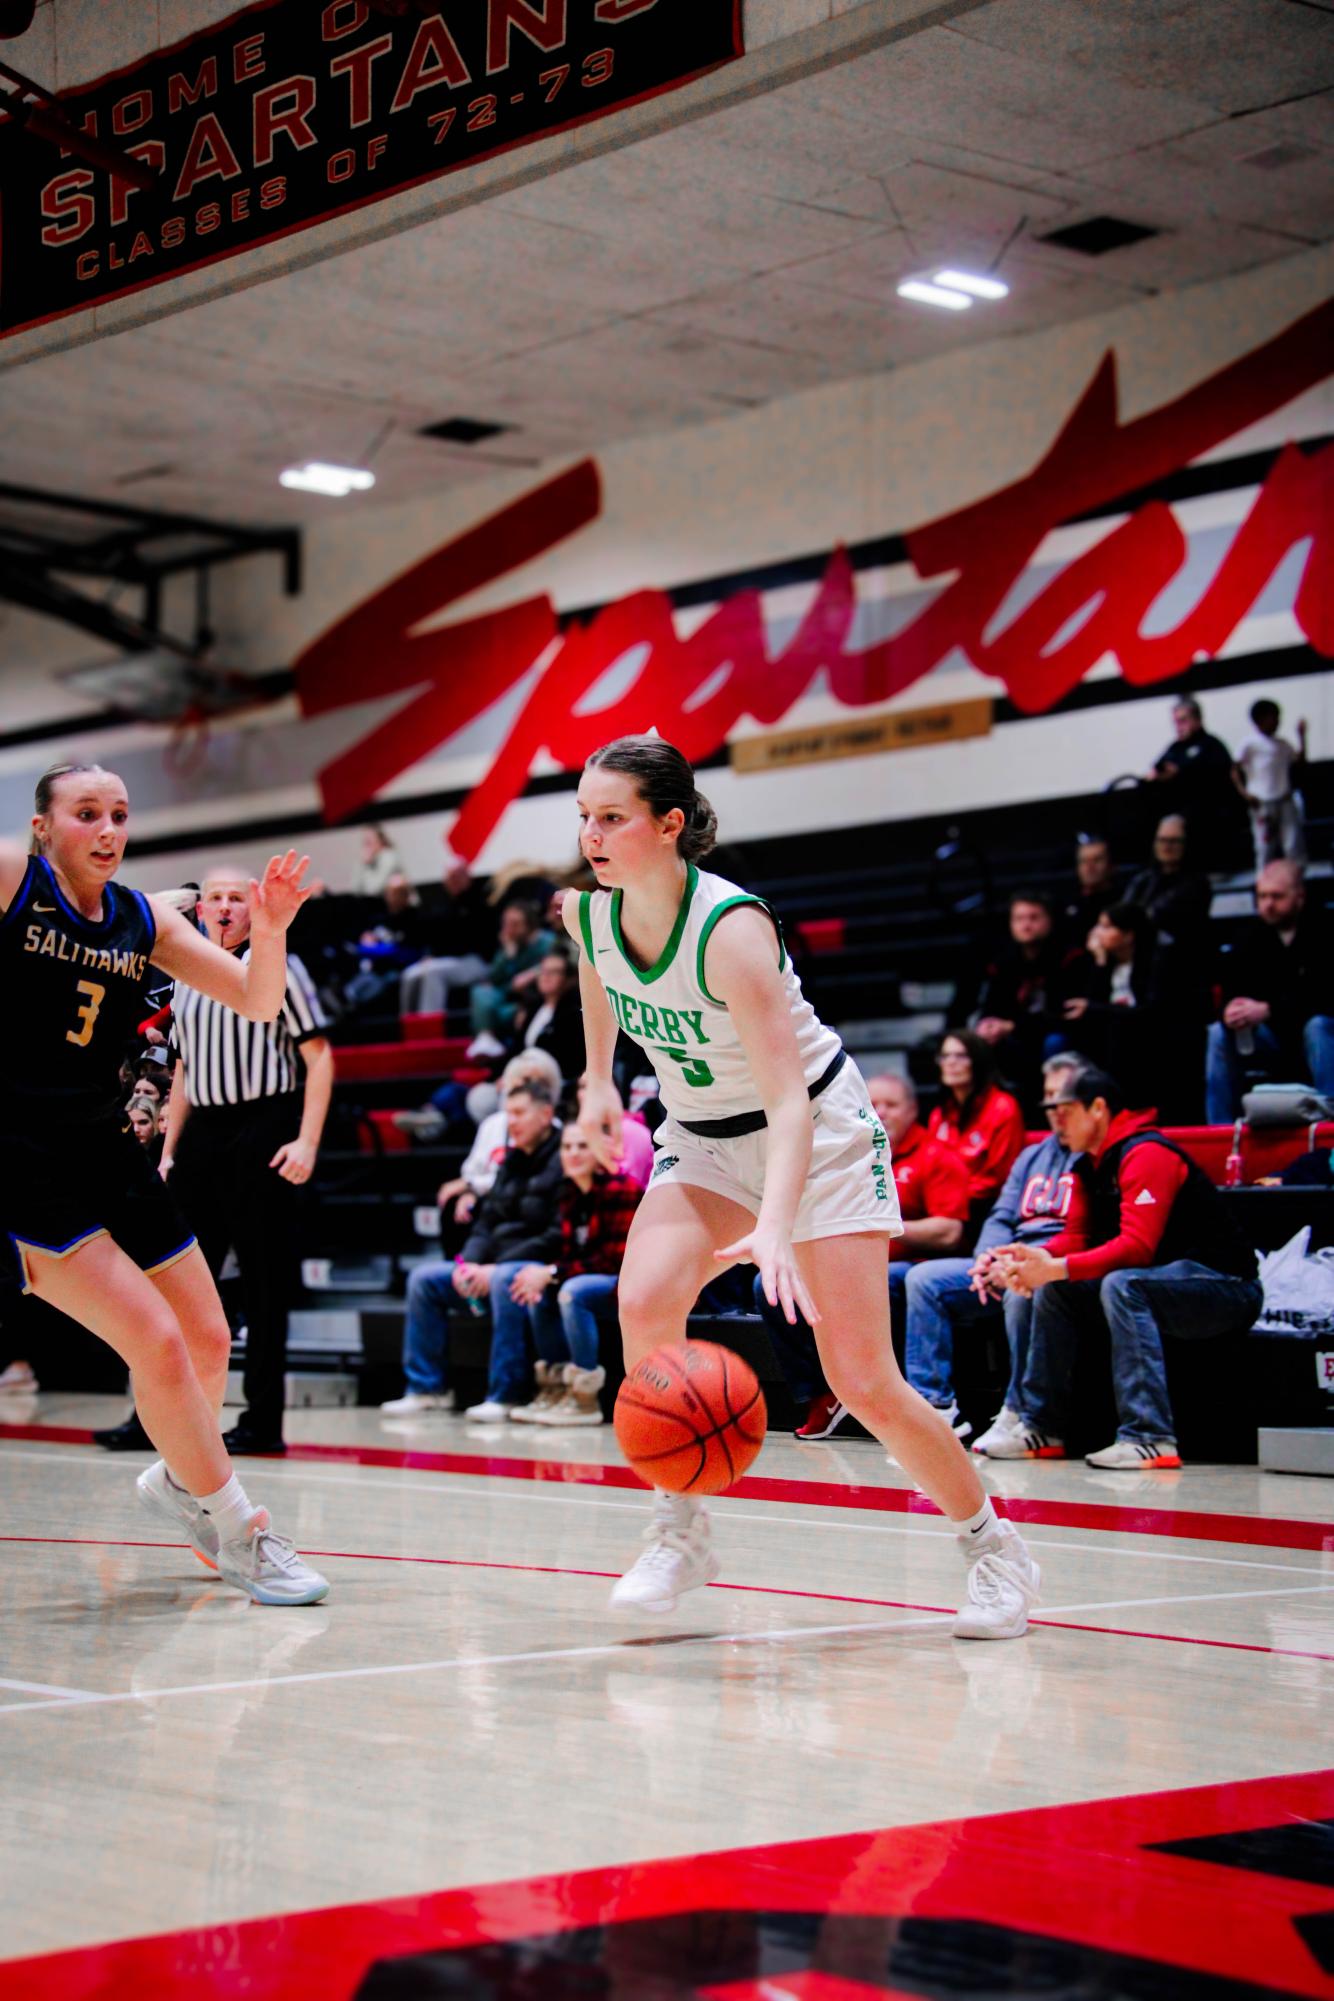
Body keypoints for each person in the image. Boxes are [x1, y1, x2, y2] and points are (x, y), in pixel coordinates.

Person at [565, 733, 1040, 1641]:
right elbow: (601, 974)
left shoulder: (733, 928)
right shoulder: (588, 913)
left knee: (859, 1377)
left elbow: (787, 1105)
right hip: (703, 1137)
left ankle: (994, 1549)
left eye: (612, 816)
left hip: (815, 1132)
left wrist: (775, 1225)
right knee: (644, 1300)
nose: (592, 833)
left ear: (669, 825)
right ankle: (680, 1528)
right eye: (585, 816)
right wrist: (594, 1080)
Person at [0, 762, 327, 1605]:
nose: (108, 829)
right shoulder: (13, 877)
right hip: (19, 1158)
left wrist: (276, 924)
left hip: (105, 1147)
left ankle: (184, 1483)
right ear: (43, 827)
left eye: (118, 813)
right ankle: (241, 1528)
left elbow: (258, 1001)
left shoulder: (140, 918)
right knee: (156, 1338)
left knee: (210, 1337)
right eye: (85, 813)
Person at [989, 1066, 1262, 1468]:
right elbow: (1076, 1238)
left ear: (1098, 1109)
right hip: (1160, 1282)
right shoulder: (1086, 1165)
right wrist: (1033, 1259)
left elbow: (1137, 1247)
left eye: (1065, 1111)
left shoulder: (1147, 1152)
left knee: (1122, 1283)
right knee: (1055, 1289)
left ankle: (1150, 1436)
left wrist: (1058, 1265)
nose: (1056, 1122)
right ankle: (1041, 1427)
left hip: (1226, 1286)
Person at [154, 867, 334, 1456]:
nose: (226, 907)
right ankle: (161, 1418)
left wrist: (307, 1141)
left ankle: (262, 1422)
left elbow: (321, 1056)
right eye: (216, 898)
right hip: (204, 1131)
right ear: (200, 908)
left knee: (262, 1284)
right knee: (179, 1284)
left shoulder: (280, 962)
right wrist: (169, 1150)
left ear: (253, 906)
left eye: (237, 897)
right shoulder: (186, 969)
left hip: (264, 1123)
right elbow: (182, 1069)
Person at [755, 1071, 971, 1442]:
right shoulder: (846, 1150)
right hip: (843, 1257)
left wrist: (876, 1227)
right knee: (769, 1282)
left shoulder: (936, 1155)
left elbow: (949, 1231)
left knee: (886, 1279)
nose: (882, 1112)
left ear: (913, 1109)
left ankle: (900, 1399)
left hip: (907, 1266)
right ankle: (822, 1393)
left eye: (892, 1105)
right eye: (876, 1104)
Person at [905, 1052, 1084, 1451]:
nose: (1055, 1108)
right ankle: (935, 1410)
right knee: (923, 1279)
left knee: (1024, 1291)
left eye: (1065, 1097)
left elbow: (1087, 1231)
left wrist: (1022, 1262)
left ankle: (1020, 1412)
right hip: (1006, 1258)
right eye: (1049, 1097)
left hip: (1051, 1263)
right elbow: (1002, 1214)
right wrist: (988, 1257)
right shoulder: (1032, 1156)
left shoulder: (1095, 1155)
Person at [380, 1078, 565, 1420]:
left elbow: (555, 1234)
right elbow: (486, 1223)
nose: (512, 1122)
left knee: (504, 1280)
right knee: (424, 1280)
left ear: (546, 1114)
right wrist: (470, 1263)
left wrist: (494, 1268)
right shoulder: (510, 1162)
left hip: (534, 1266)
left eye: (520, 1113)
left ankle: (506, 1394)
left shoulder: (564, 1159)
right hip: (490, 1265)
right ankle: (426, 1389)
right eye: (508, 1114)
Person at [505, 1121, 641, 1427]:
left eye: (582, 1145)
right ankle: (554, 1389)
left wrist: (553, 1271)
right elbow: (573, 1254)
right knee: (539, 1292)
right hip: (595, 1275)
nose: (573, 1153)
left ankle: (585, 1398)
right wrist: (546, 1273)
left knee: (572, 1291)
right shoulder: (569, 1192)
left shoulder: (621, 1188)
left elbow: (613, 1260)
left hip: (629, 1280)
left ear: (599, 1151)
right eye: (567, 1147)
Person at [1205, 860, 1334, 1122]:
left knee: (1318, 1027)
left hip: (1315, 1036)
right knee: (1218, 1033)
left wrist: (1269, 1009)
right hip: (1271, 1039)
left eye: (1277, 896)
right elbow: (1232, 988)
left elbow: (1324, 994)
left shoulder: (1325, 930)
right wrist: (1232, 1010)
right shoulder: (1249, 936)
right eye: (1262, 896)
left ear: (1299, 896)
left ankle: (1329, 1121)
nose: (1268, 904)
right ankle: (1219, 1130)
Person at [970, 893, 1066, 1113]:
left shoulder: (1066, 957)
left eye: (1033, 918)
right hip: (1016, 1039)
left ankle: (1056, 1104)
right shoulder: (1005, 961)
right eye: (1019, 919)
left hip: (1051, 1034)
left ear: (1048, 920)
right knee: (975, 1042)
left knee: (1055, 1041)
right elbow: (990, 1005)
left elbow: (1062, 1014)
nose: (1026, 925)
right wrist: (987, 1024)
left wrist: (1011, 1026)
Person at [927, 1029, 1026, 1217]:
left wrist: (950, 1199)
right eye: (945, 1056)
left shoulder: (1003, 1107)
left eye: (961, 1056)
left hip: (986, 1208)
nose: (951, 1062)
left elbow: (998, 1179)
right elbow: (931, 1167)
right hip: (944, 1206)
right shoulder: (939, 1114)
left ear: (978, 1061)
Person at [1146, 695, 1247, 866]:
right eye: (1176, 722)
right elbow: (1158, 767)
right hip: (1176, 809)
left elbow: (1217, 778)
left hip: (1209, 809)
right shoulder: (1175, 747)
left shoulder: (1212, 745)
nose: (1179, 726)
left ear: (1197, 719)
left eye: (1183, 720)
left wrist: (1182, 773)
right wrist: (1157, 775)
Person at [398, 851, 496, 1017]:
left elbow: (470, 942)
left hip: (476, 960)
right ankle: (407, 1025)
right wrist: (430, 956)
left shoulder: (481, 904)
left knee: (433, 973)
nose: (452, 881)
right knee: (410, 974)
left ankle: (429, 1027)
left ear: (467, 877)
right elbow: (436, 938)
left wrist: (437, 956)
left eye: (456, 876)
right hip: (447, 959)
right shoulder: (442, 906)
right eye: (449, 877)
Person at [467, 901, 555, 1059]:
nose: (509, 930)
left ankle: (491, 1041)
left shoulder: (547, 942)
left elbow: (555, 962)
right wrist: (508, 954)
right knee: (480, 992)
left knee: (501, 1013)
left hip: (531, 997)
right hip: (507, 994)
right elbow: (494, 978)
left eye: (515, 924)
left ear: (529, 925)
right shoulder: (511, 944)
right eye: (506, 924)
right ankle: (486, 1037)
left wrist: (532, 973)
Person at [1232, 700, 1308, 870]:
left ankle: (1295, 880)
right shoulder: (1249, 743)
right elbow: (1234, 770)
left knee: (1293, 843)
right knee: (1265, 846)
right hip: (1261, 802)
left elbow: (1300, 762)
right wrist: (1244, 793)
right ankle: (1264, 882)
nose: (1276, 722)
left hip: (1284, 798)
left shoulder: (1283, 744)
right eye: (1272, 718)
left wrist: (1302, 737)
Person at [1123, 814, 1212, 950]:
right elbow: (1121, 915)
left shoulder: (1196, 883)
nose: (1167, 846)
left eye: (1174, 841)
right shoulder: (1142, 880)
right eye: (1162, 840)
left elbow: (1157, 915)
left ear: (1186, 843)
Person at [514, 947, 585, 1084]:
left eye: (554, 972)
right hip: (523, 1076)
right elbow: (518, 1048)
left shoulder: (574, 1013)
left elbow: (568, 1059)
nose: (546, 976)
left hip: (554, 1081)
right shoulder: (533, 1008)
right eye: (543, 971)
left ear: (569, 979)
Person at [1058, 836, 1121, 951]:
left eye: (1097, 860)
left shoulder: (1123, 901)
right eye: (1084, 861)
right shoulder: (1065, 903)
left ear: (1111, 866)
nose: (1090, 867)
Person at [349, 823, 403, 898]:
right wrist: (362, 864)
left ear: (380, 840)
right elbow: (355, 890)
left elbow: (374, 890)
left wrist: (366, 865)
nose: (366, 846)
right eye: (365, 841)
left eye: (369, 841)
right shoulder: (368, 859)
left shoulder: (389, 856)